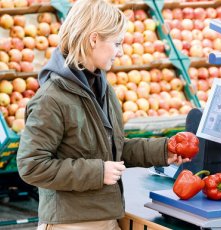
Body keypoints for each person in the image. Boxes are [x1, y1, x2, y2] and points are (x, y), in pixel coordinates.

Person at [16, 0, 194, 229]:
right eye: (117, 43)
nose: (120, 52)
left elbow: (113, 149)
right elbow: (31, 166)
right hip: (71, 224)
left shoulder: (102, 88)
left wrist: (162, 151)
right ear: (94, 39)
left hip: (107, 218)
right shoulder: (51, 99)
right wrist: (97, 172)